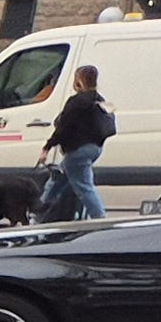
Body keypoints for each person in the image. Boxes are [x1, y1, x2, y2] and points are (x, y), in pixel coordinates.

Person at [45, 64, 113, 222]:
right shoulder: (100, 100)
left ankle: (99, 219)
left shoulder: (76, 102)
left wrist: (48, 146)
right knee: (57, 181)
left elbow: (64, 127)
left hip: (77, 149)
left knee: (84, 186)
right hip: (95, 148)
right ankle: (39, 211)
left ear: (79, 80)